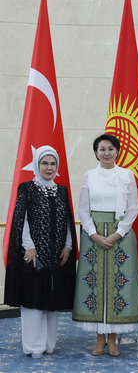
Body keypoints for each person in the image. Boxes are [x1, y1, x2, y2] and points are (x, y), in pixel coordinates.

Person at [72, 134, 138, 357]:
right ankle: (99, 339)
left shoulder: (127, 175)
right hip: (93, 236)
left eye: (110, 149)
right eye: (101, 149)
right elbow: (83, 209)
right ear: (96, 152)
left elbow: (133, 208)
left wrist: (117, 234)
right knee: (95, 285)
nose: (106, 153)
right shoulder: (89, 176)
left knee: (118, 285)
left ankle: (113, 340)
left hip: (120, 234)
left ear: (117, 151)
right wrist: (93, 234)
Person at [3, 146, 77, 359]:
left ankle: (48, 345)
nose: (49, 167)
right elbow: (21, 219)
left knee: (51, 302)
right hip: (33, 253)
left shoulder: (61, 190)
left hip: (57, 254)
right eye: (44, 163)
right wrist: (29, 246)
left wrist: (68, 246)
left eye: (53, 163)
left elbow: (68, 221)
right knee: (33, 300)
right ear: (37, 164)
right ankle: (34, 346)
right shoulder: (26, 188)